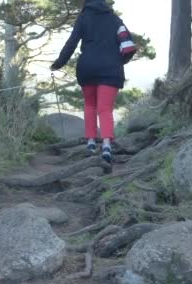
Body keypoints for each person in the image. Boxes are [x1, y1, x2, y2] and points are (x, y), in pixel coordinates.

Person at [51, 0, 136, 163]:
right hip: (110, 69)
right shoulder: (115, 19)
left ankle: (90, 143)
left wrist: (59, 63)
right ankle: (106, 146)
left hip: (87, 67)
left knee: (90, 104)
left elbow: (72, 42)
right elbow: (129, 46)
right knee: (105, 109)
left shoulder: (84, 17)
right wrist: (119, 61)